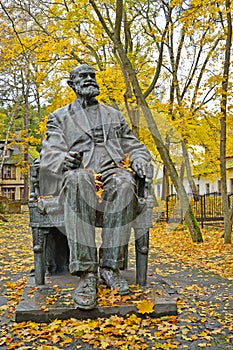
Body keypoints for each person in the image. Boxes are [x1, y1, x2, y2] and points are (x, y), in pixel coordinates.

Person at [39, 64, 151, 310]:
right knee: (79, 180)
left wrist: (141, 159)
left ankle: (110, 268)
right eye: (83, 76)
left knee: (124, 182)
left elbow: (135, 146)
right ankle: (87, 273)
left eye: (92, 75)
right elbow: (49, 152)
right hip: (79, 173)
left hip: (111, 171)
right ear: (72, 84)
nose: (90, 79)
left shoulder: (113, 115)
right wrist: (63, 160)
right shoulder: (59, 117)